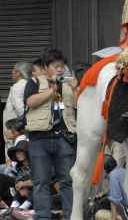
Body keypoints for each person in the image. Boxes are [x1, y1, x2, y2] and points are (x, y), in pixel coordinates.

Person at [24, 49, 77, 220]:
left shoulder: (69, 84)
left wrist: (77, 89)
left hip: (64, 137)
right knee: (41, 182)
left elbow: (78, 106)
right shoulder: (33, 82)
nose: (60, 70)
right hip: (39, 139)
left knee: (68, 182)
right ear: (46, 68)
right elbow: (30, 102)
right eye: (56, 66)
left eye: (62, 66)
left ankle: (71, 216)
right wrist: (51, 90)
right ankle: (42, 217)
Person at [3, 62, 32, 159]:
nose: (11, 72)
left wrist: (19, 126)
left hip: (14, 126)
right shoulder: (28, 84)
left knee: (12, 152)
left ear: (19, 73)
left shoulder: (17, 87)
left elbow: (20, 108)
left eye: (13, 70)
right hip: (19, 126)